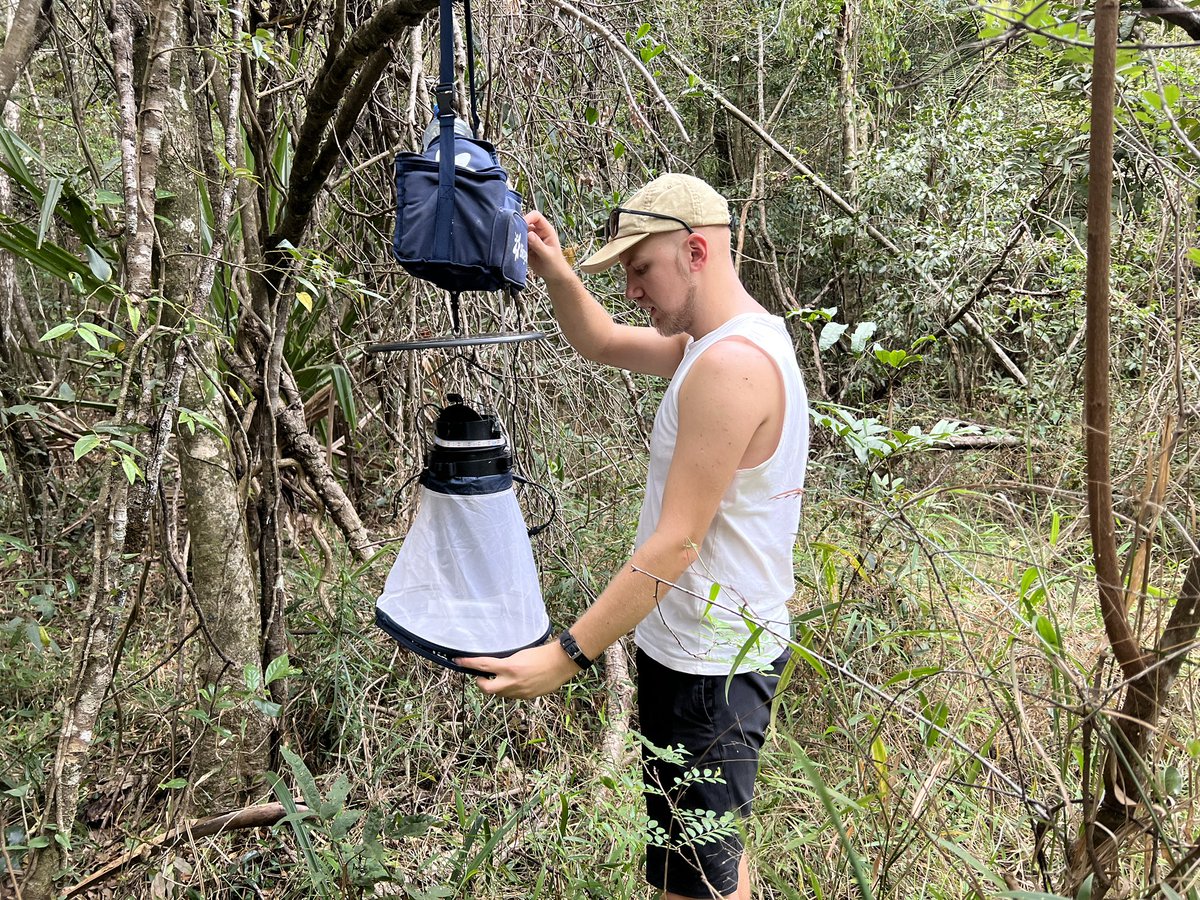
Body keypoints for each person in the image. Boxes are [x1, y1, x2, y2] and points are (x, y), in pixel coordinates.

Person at [458, 173, 810, 900]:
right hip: (703, 651)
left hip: (710, 667)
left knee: (697, 883)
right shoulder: (719, 344)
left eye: (641, 267)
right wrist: (557, 271)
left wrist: (564, 657)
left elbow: (675, 545)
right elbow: (601, 339)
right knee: (706, 861)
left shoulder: (731, 366)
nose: (633, 289)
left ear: (696, 251)